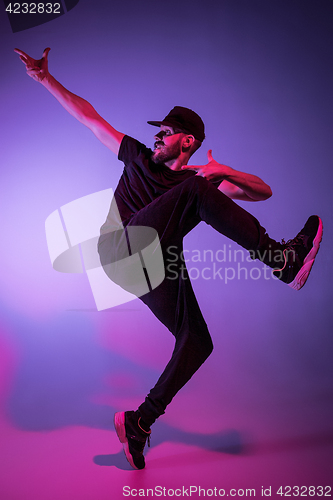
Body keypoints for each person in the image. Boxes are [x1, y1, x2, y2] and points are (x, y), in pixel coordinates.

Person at [15, 47, 323, 470]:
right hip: (120, 247)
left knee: (198, 341)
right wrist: (46, 79)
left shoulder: (196, 180)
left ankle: (140, 421)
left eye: (167, 130)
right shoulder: (139, 157)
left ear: (188, 140)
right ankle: (281, 259)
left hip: (153, 265)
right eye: (157, 130)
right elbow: (90, 118)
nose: (158, 135)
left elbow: (261, 191)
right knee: (198, 191)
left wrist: (223, 171)